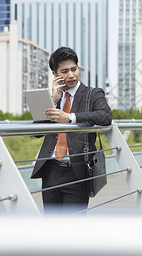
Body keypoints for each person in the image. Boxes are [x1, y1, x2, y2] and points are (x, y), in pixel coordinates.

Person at [30, 47, 112, 214]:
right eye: (65, 71)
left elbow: (105, 117)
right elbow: (36, 131)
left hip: (77, 170)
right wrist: (52, 100)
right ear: (55, 74)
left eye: (74, 69)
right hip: (50, 170)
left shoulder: (93, 93)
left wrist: (70, 118)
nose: (71, 75)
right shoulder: (49, 97)